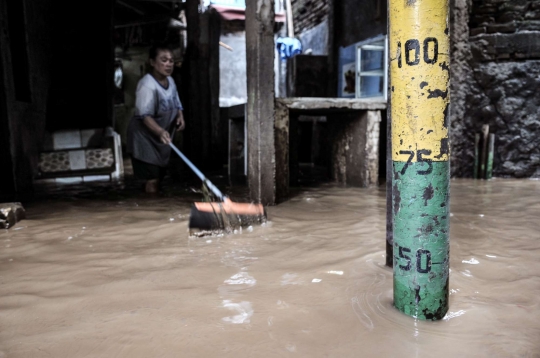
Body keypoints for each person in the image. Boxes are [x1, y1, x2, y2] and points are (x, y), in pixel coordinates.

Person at [127, 44, 185, 193]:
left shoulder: (170, 81)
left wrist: (180, 116)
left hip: (160, 139)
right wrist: (160, 131)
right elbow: (144, 116)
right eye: (164, 60)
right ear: (152, 62)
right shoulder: (147, 85)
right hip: (145, 139)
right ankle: (150, 210)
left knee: (158, 177)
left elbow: (176, 102)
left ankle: (153, 205)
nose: (168, 64)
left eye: (171, 61)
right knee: (151, 178)